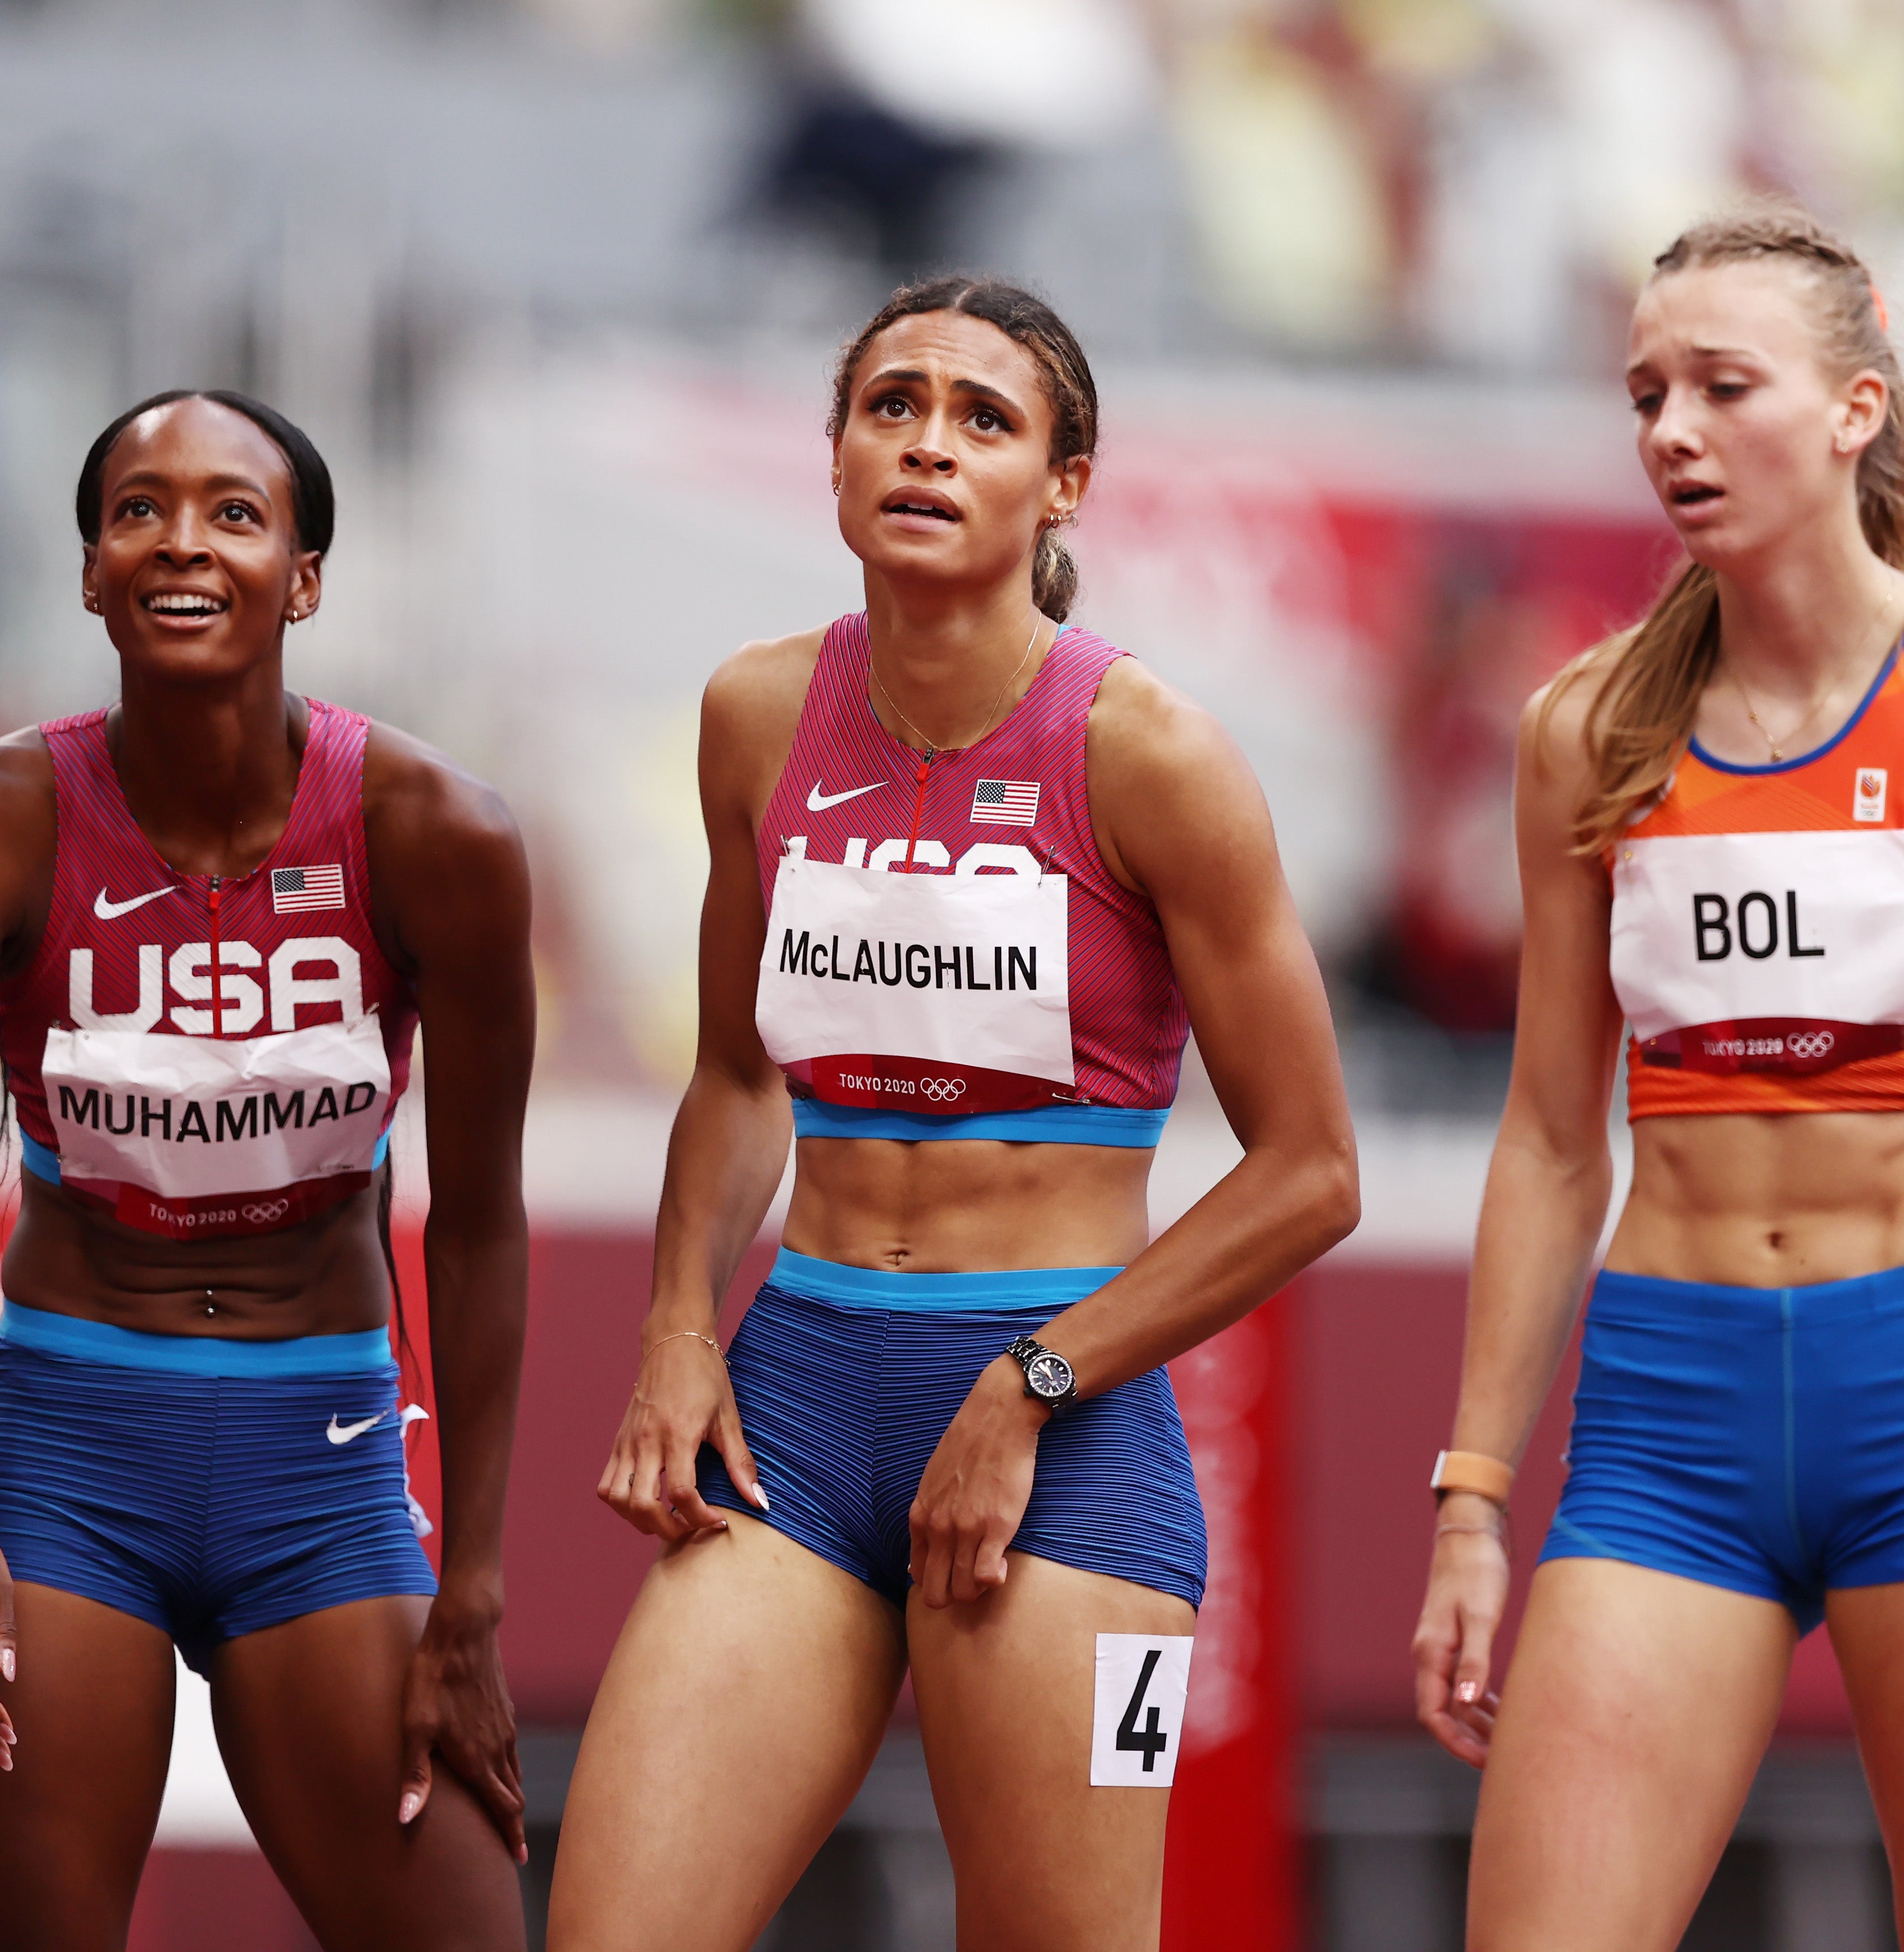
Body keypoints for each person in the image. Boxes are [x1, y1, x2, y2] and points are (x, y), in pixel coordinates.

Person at [547, 278, 1360, 1952]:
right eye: (891, 404)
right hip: (795, 1397)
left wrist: (1034, 1375)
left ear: (1062, 483)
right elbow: (736, 1072)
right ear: (834, 453)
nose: (929, 442)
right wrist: (675, 1326)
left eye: (984, 418)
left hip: (1062, 1426)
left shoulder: (1152, 753)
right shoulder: (756, 714)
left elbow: (1313, 1171)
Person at [1409, 204, 1904, 1949]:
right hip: (1668, 1415)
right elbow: (1542, 1139)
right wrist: (1469, 1492)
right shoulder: (1585, 730)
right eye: (1642, 392)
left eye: (1719, 386)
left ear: (1852, 409)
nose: (1669, 430)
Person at [0, 391, 532, 1951]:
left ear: (303, 577)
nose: (183, 539)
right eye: (138, 510)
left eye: (234, 512)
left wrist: (477, 1587)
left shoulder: (440, 832)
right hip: (67, 1450)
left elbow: (485, 1225)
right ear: (91, 572)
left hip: (324, 1451)